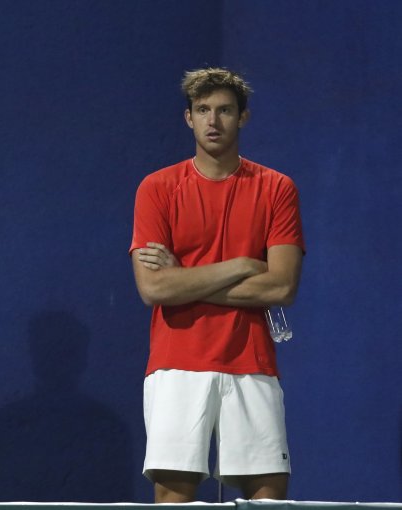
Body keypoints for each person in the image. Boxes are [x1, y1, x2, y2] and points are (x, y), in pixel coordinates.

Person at [129, 67, 304, 502]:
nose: (213, 121)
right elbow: (153, 290)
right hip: (176, 363)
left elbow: (282, 288)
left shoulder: (277, 188)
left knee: (267, 495)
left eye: (225, 110)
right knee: (174, 493)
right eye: (203, 110)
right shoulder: (157, 188)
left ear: (242, 117)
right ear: (188, 118)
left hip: (252, 360)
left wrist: (184, 277)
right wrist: (245, 264)